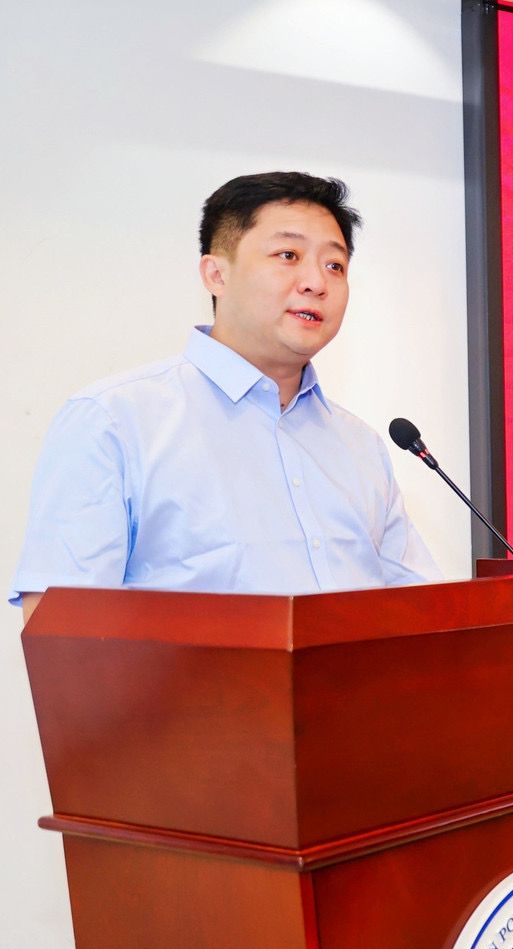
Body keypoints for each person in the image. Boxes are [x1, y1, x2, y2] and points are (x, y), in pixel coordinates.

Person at [11, 172, 441, 622]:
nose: (317, 282)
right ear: (216, 274)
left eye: (335, 265)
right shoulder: (114, 422)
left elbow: (424, 616)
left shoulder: (361, 446)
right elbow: (62, 635)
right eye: (288, 255)